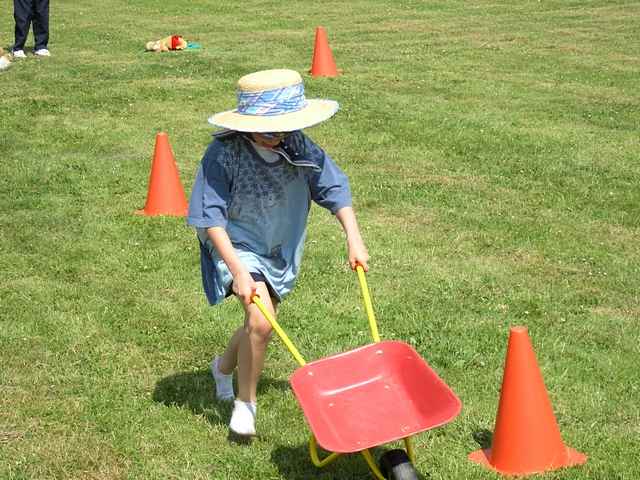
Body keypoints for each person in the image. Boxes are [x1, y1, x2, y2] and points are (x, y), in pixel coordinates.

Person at [187, 69, 369, 436]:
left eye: (283, 129)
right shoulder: (224, 154)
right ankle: (246, 403)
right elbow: (210, 218)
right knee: (262, 319)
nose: (278, 137)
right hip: (236, 245)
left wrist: (354, 237)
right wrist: (237, 270)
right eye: (270, 130)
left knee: (259, 322)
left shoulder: (298, 146)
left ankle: (222, 368)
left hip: (278, 246)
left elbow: (333, 188)